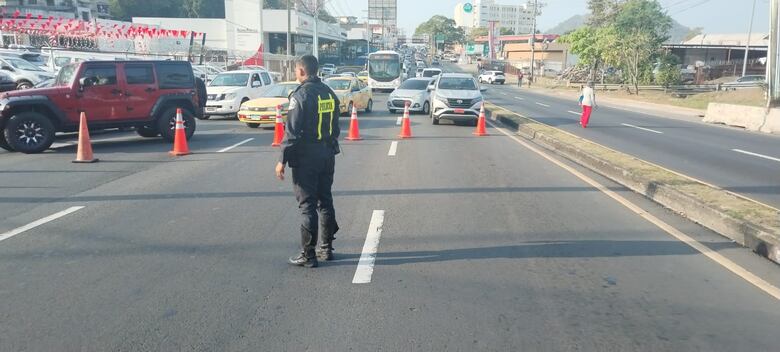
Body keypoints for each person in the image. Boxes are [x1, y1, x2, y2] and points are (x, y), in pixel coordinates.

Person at [275, 55, 341, 268]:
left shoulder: (301, 95)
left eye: (296, 70)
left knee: (307, 206)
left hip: (307, 158)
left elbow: (292, 132)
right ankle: (326, 248)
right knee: (325, 201)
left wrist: (281, 160)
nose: (296, 74)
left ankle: (308, 255)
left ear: (302, 71)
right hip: (327, 155)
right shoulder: (329, 93)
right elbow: (336, 127)